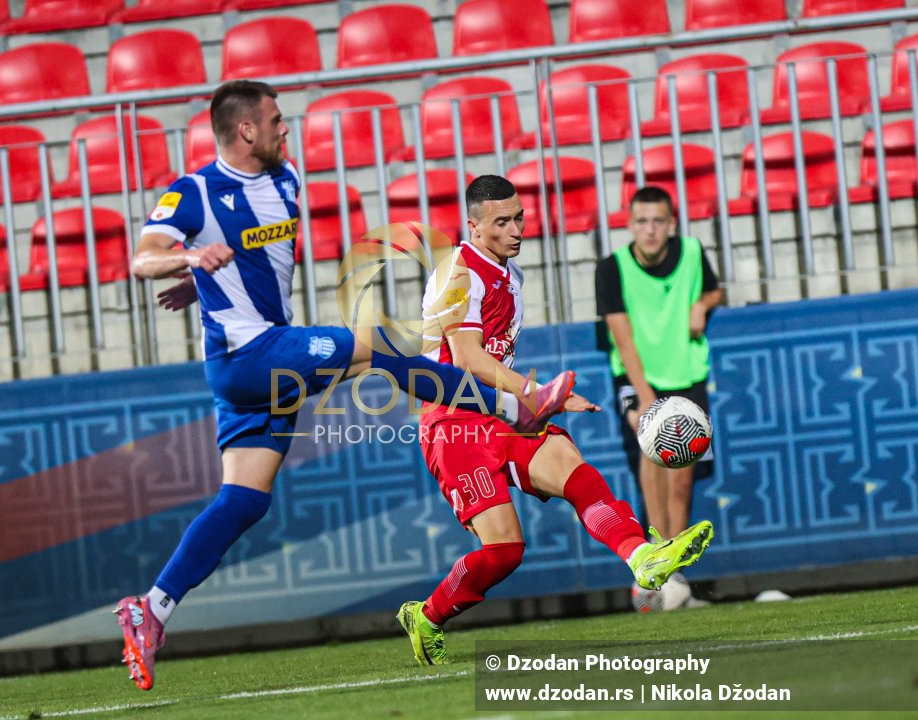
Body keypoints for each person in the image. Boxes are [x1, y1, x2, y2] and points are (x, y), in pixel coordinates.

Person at [113, 80, 578, 691]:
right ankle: (509, 404)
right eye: (275, 120)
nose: (286, 129)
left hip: (263, 364)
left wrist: (205, 280)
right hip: (248, 353)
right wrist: (188, 262)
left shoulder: (287, 183)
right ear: (246, 129)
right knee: (378, 346)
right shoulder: (195, 191)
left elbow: (252, 257)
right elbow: (141, 258)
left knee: (246, 499)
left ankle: (151, 609)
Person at [395, 176, 715, 665]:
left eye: (519, 217)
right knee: (504, 552)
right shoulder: (458, 271)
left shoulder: (511, 274)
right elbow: (467, 359)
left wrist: (543, 402)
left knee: (574, 470)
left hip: (501, 413)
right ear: (474, 226)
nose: (516, 229)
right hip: (455, 420)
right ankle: (427, 615)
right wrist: (534, 392)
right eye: (501, 222)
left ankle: (642, 557)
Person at [594, 185, 723, 610]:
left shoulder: (691, 251)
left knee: (683, 478)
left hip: (686, 374)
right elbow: (623, 339)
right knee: (652, 456)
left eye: (658, 221)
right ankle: (654, 570)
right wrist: (650, 403)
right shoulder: (611, 268)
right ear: (630, 225)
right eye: (641, 221)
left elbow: (714, 289)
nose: (650, 230)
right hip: (637, 378)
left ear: (671, 223)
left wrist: (702, 304)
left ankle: (674, 575)